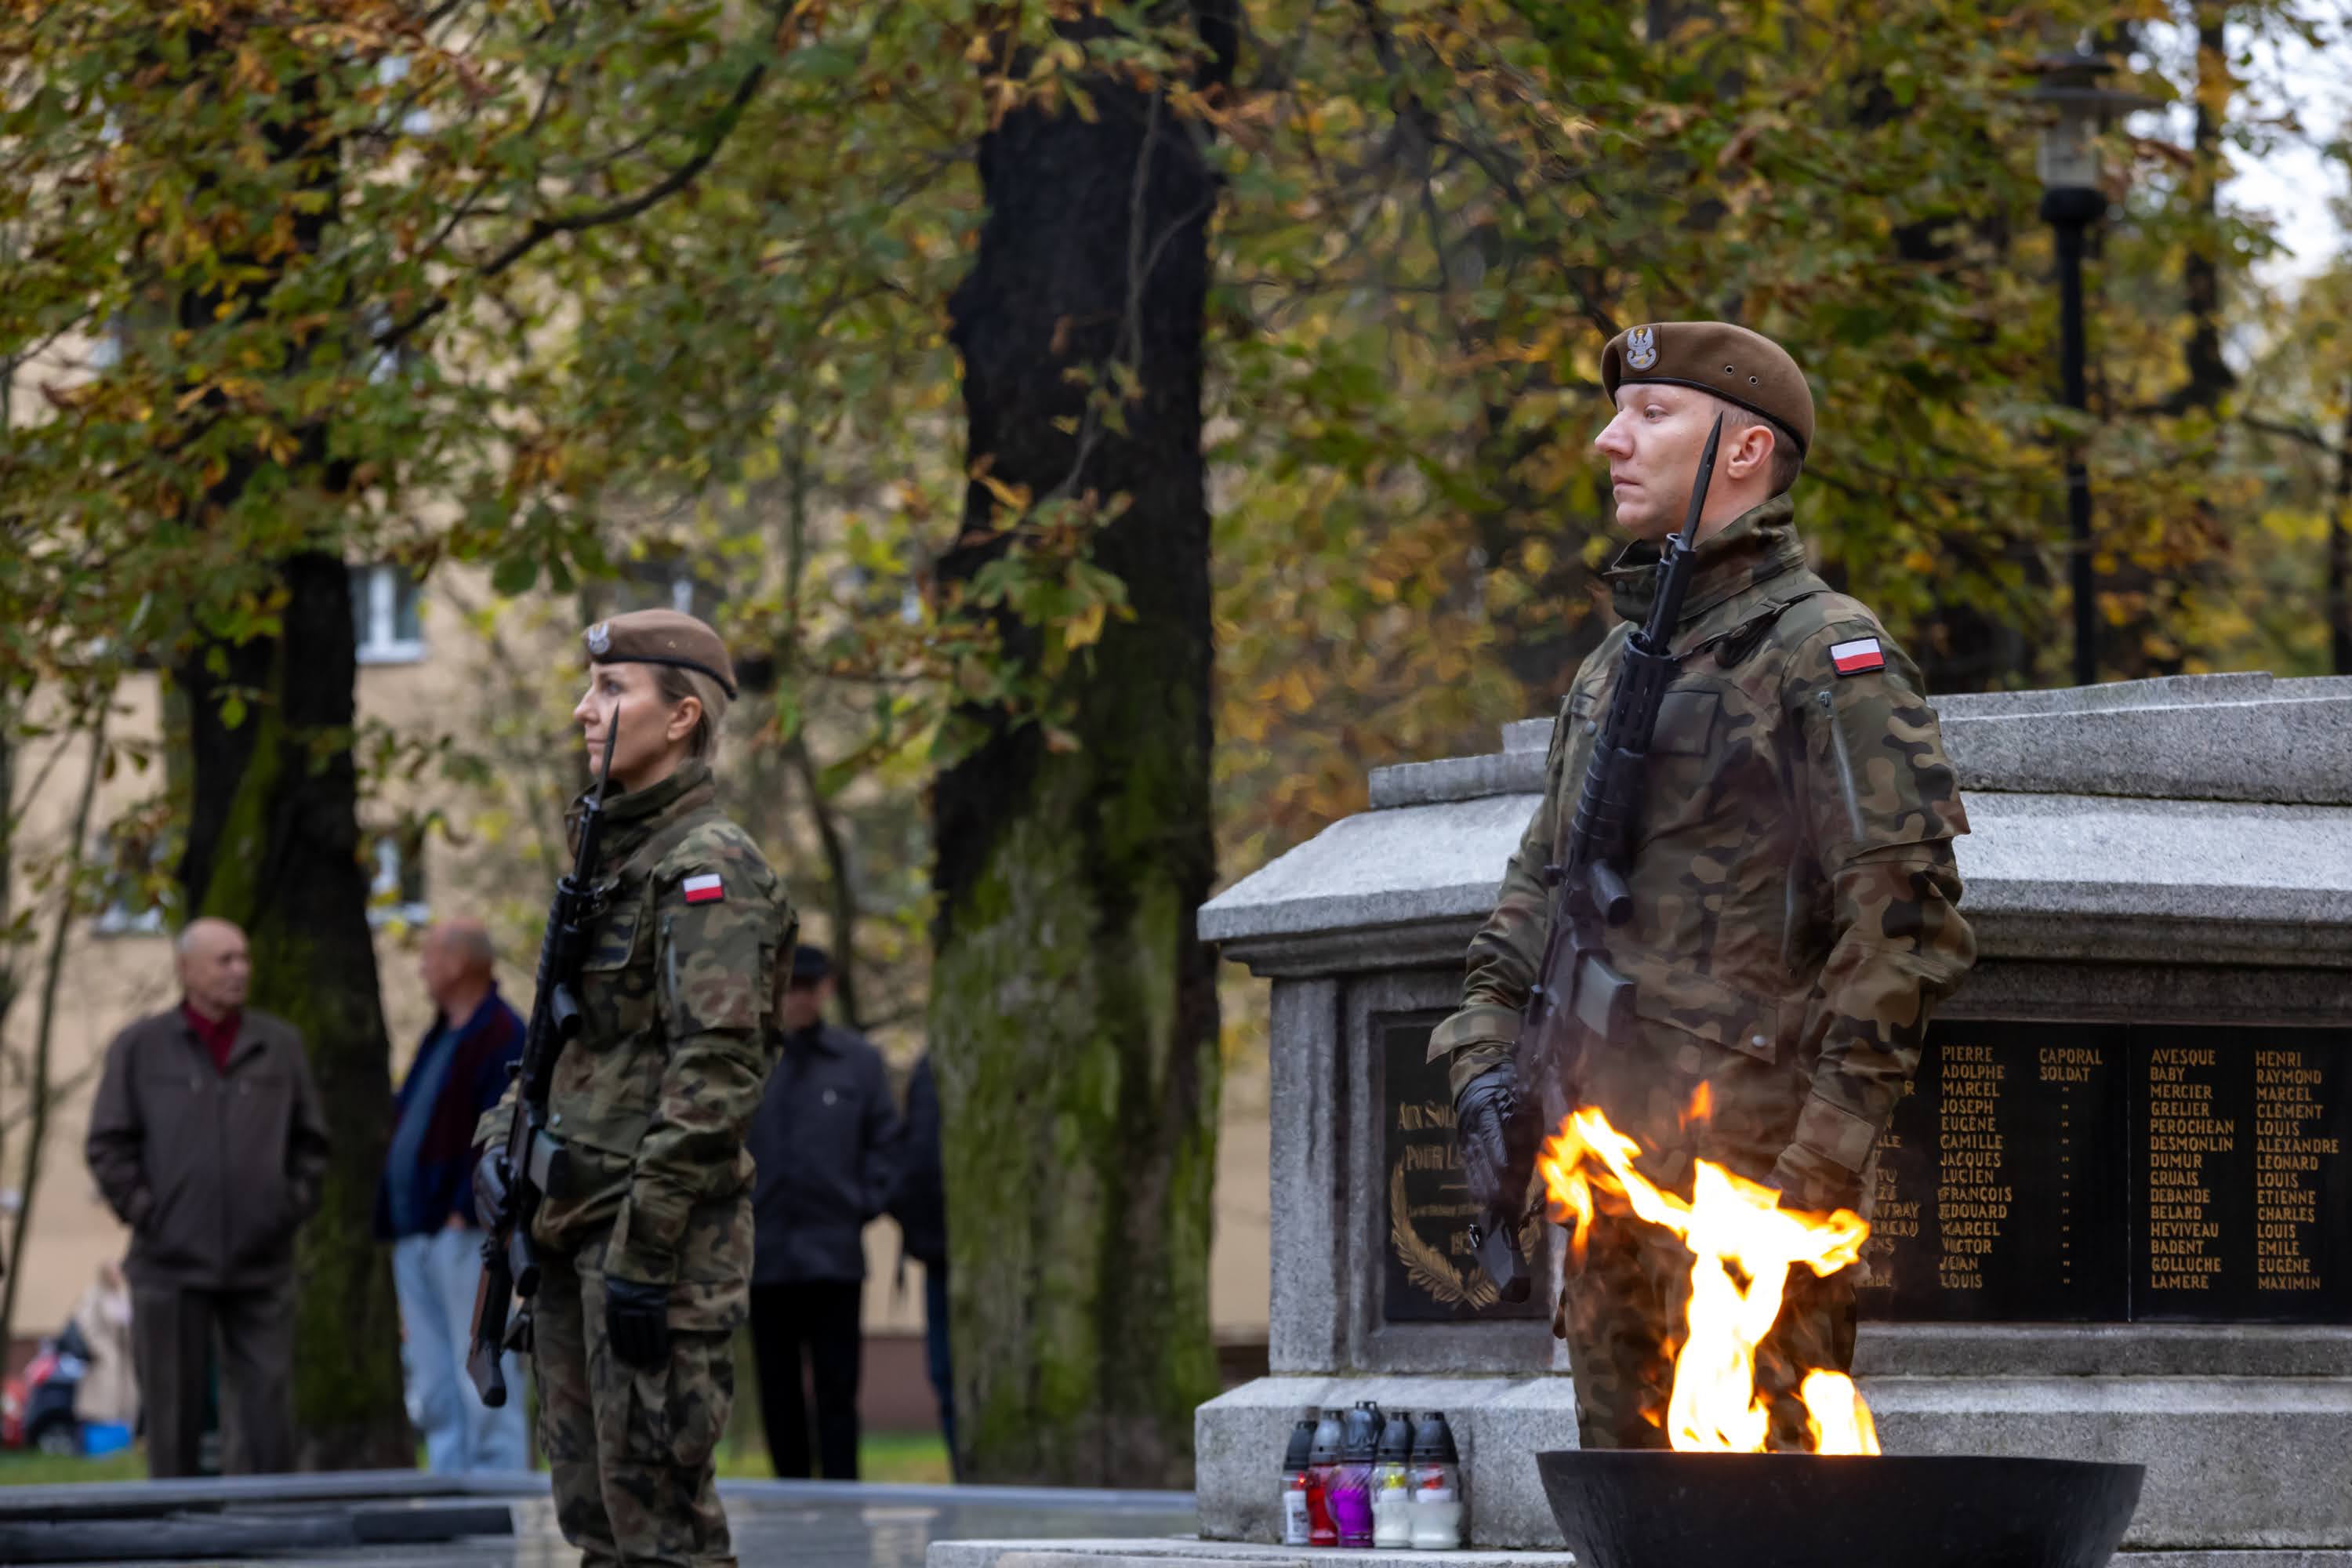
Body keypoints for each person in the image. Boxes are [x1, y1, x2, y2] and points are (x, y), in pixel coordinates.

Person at [1438, 321, 1977, 1450]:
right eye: (1617, 416)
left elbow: (1905, 929)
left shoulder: (1824, 656)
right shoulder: (1611, 670)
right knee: (1627, 1505)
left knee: (1762, 1512)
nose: (1609, 441)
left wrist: (1811, 1171)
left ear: (1743, 450)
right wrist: (1485, 1056)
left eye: (1651, 416)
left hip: (1755, 1181)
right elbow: (1539, 886)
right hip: (1607, 1177)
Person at [477, 608, 794, 1567]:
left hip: (652, 1245)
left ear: (683, 716)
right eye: (588, 686)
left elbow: (717, 1070)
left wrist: (643, 1252)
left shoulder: (708, 869)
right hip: (573, 1225)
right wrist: (502, 1140)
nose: (585, 709)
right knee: (597, 1523)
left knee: (663, 1525)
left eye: (612, 691)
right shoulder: (608, 863)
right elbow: (558, 1035)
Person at [85, 916, 329, 1476]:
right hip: (168, 1266)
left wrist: (284, 1208)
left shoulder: (280, 1046)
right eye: (225, 960)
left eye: (244, 958)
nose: (239, 970)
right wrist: (150, 1214)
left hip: (261, 1263)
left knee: (269, 1420)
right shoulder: (140, 1048)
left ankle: (268, 1538)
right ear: (186, 969)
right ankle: (178, 1546)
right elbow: (107, 1144)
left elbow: (311, 1146)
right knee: (173, 1424)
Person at [378, 918, 530, 1472]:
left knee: (481, 1362)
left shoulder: (502, 1034)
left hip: (465, 1232)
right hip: (416, 1227)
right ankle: (451, 1484)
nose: (422, 965)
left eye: (431, 954)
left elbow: (511, 1129)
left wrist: (470, 1211)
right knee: (435, 1375)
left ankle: (497, 1485)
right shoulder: (441, 1034)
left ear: (461, 962)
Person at [745, 944, 898, 1479]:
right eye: (788, 989)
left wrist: (864, 1202)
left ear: (824, 988)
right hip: (765, 1257)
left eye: (806, 989)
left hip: (833, 1257)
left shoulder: (858, 1063)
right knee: (777, 1389)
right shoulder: (748, 1062)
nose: (798, 1001)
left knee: (838, 1387)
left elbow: (886, 1144)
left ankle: (843, 1493)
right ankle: (791, 1491)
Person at [887, 1052, 956, 1476]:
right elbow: (914, 1156)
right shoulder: (932, 1069)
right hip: (940, 1248)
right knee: (945, 1376)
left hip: (957, 1248)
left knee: (953, 1377)